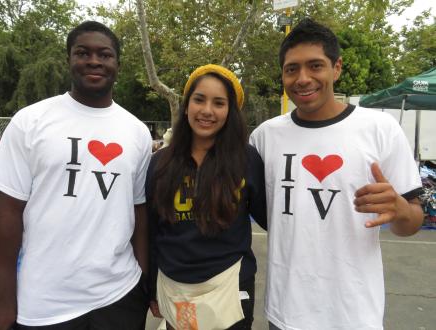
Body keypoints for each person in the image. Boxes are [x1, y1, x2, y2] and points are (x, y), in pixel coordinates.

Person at [249, 18, 424, 330]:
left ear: (337, 67)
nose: (303, 78)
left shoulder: (380, 130)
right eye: (292, 69)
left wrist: (399, 209)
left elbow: (411, 223)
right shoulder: (264, 137)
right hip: (285, 314)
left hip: (354, 315)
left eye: (315, 66)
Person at [0, 21, 152, 329]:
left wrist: (145, 281)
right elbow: (6, 213)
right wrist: (3, 300)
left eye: (105, 54)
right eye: (82, 52)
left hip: (120, 294)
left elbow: (138, 210)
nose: (94, 61)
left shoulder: (136, 131)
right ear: (69, 60)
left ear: (117, 64)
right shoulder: (31, 121)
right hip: (45, 302)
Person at [145, 64, 267, 330]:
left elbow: (273, 219)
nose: (207, 111)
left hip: (229, 285)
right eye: (199, 99)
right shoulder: (160, 163)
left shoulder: (247, 160)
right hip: (175, 287)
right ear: (187, 105)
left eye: (219, 103)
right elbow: (153, 230)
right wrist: (151, 286)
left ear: (230, 112)